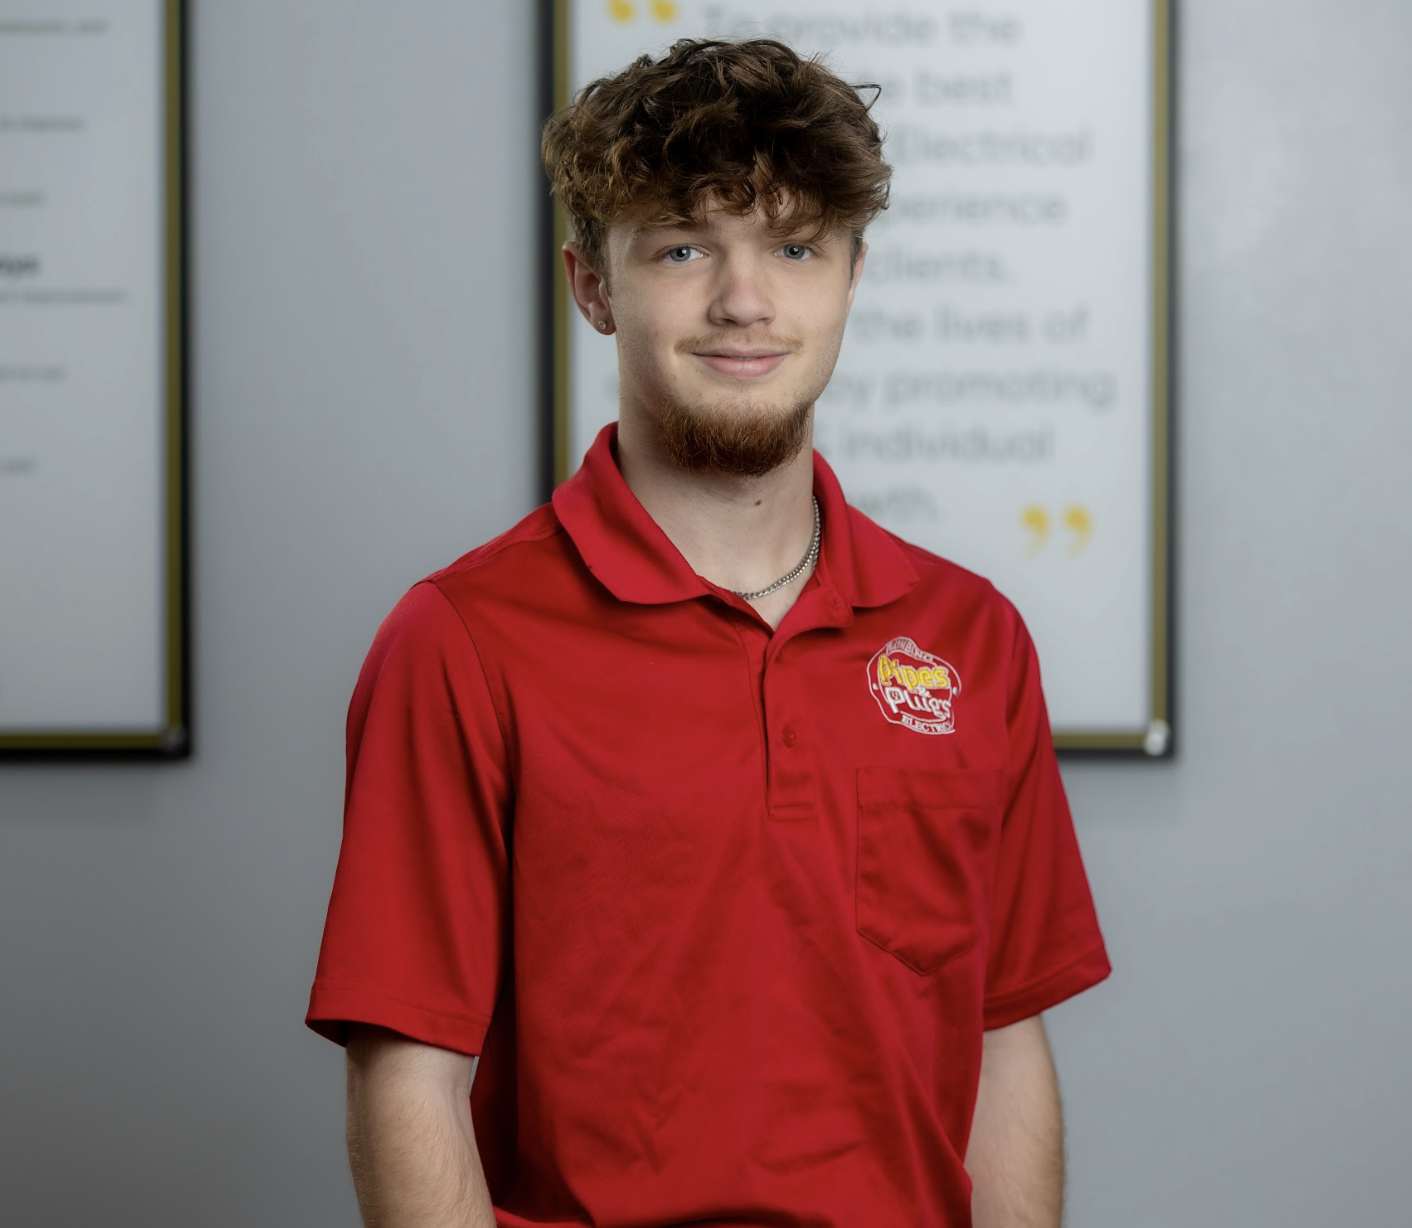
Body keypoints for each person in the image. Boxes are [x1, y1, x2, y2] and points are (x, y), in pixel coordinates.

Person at [307, 37, 1110, 1228]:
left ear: (850, 277)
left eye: (793, 247)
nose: (745, 300)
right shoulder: (461, 643)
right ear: (592, 286)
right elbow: (408, 1075)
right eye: (683, 248)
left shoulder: (968, 636)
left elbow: (999, 1043)